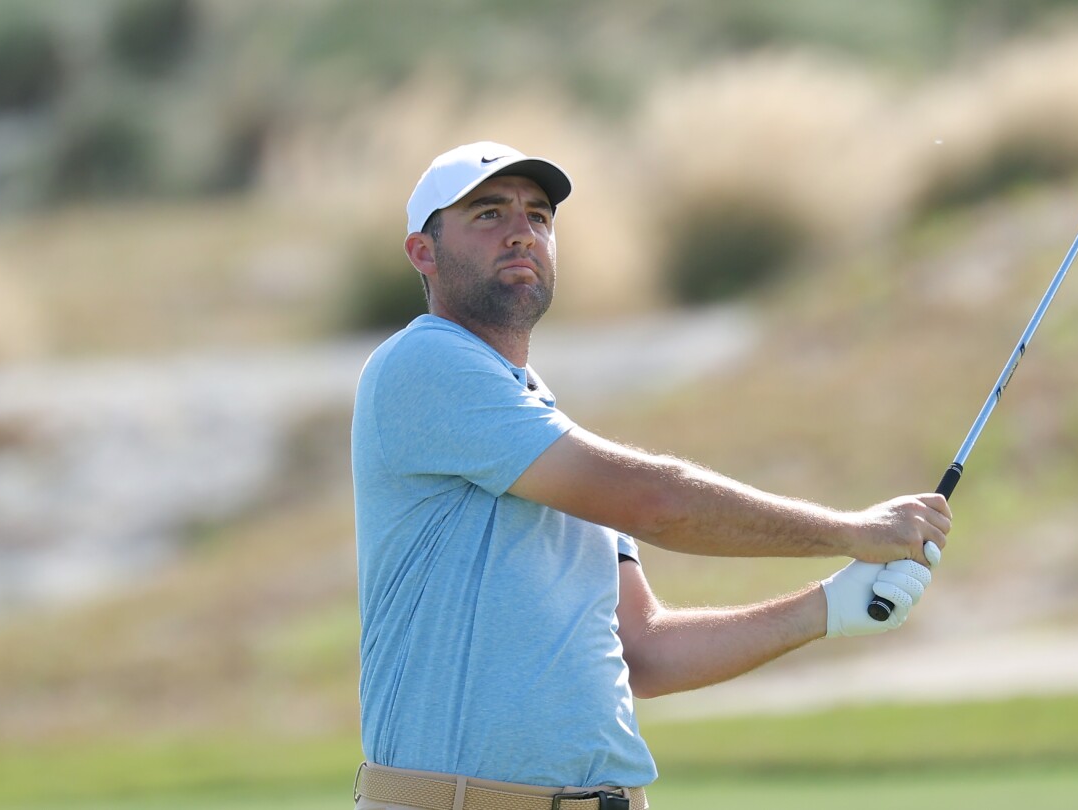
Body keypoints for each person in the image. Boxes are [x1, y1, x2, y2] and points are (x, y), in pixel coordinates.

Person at [351, 141, 951, 810]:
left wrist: (829, 608)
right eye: (488, 213)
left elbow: (646, 651)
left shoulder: (544, 425)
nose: (523, 231)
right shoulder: (422, 363)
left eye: (539, 216)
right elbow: (656, 503)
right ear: (422, 254)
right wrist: (853, 530)